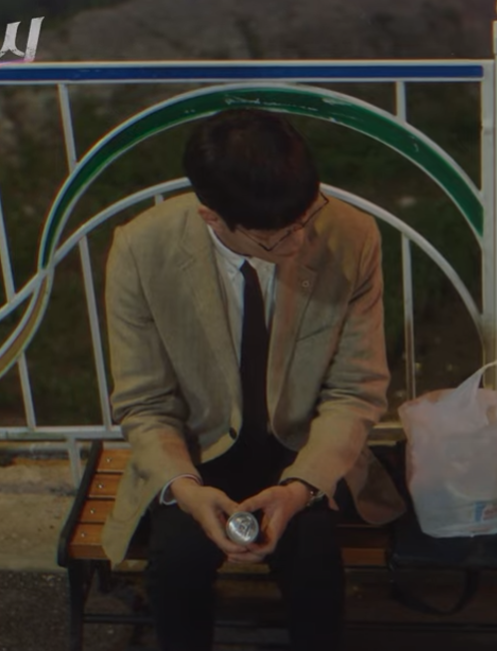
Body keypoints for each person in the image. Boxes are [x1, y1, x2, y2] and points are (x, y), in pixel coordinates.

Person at [99, 108, 405, 651]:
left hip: (301, 444)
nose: (299, 241)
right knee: (177, 566)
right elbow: (145, 403)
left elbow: (355, 390)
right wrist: (187, 489)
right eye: (275, 239)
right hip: (197, 447)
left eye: (306, 218)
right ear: (212, 217)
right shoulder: (142, 250)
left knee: (314, 562)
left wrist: (300, 486)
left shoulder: (351, 236)